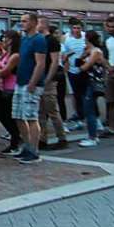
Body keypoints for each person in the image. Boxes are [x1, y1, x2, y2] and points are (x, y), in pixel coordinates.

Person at [11, 13, 47, 164]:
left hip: (31, 83)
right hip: (20, 82)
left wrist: (33, 82)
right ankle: (26, 146)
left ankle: (34, 150)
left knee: (31, 117)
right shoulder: (24, 39)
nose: (22, 24)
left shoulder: (39, 40)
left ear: (33, 22)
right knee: (18, 116)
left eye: (25, 21)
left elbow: (40, 63)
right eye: (21, 21)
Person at [37, 18, 68, 151]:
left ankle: (62, 138)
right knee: (41, 112)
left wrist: (48, 79)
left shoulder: (52, 40)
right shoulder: (40, 39)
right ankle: (42, 138)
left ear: (43, 25)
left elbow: (55, 61)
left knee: (52, 110)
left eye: (38, 23)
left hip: (49, 80)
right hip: (41, 79)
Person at [77, 31, 107, 147]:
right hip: (87, 82)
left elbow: (85, 67)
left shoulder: (96, 52)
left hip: (92, 82)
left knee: (89, 110)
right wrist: (83, 54)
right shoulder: (90, 51)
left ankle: (93, 137)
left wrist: (82, 61)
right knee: (88, 108)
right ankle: (92, 134)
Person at [0, 31, 21, 153]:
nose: (2, 41)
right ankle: (15, 138)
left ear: (10, 40)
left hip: (11, 88)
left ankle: (16, 140)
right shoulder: (6, 54)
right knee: (1, 114)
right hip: (3, 88)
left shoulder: (15, 56)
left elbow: (4, 72)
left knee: (9, 116)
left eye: (4, 38)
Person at [61, 20, 87, 129]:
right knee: (76, 95)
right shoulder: (67, 38)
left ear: (82, 28)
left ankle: (87, 116)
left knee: (85, 94)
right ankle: (79, 116)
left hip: (84, 69)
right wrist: (66, 59)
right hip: (72, 70)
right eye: (74, 28)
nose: (76, 30)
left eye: (78, 28)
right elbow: (64, 54)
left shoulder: (85, 37)